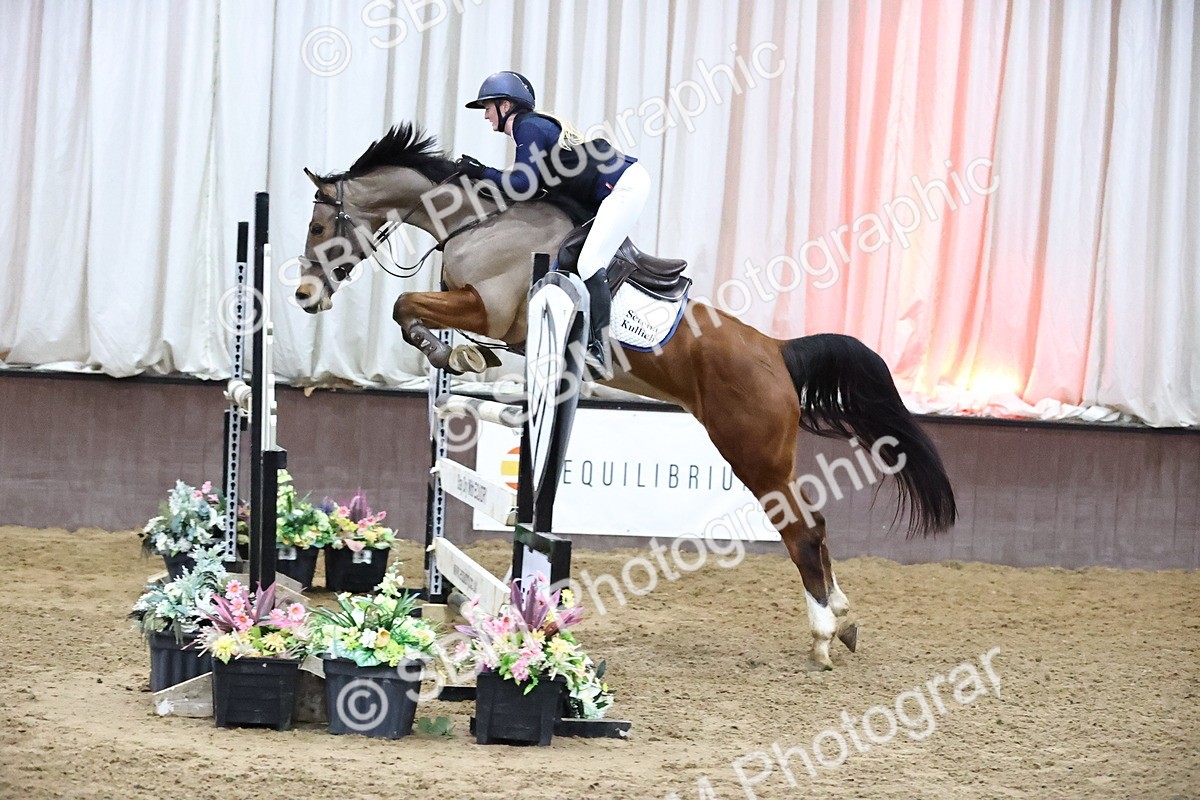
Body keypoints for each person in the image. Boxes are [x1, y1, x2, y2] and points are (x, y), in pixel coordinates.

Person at [456, 70, 650, 379]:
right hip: (611, 186)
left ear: (505, 106)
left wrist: (481, 171)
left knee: (589, 262)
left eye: (488, 107)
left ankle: (600, 349)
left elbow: (522, 184)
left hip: (624, 185)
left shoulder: (527, 126)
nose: (486, 115)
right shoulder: (530, 127)